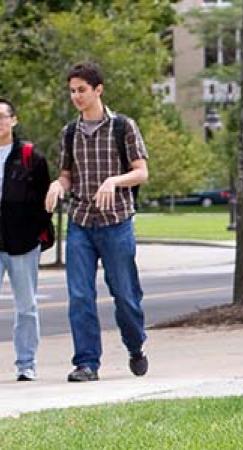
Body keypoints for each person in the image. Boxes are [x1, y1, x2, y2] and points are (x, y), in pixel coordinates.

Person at [44, 62, 150, 382]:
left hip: (116, 223)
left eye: (82, 90)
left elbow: (142, 172)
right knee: (80, 295)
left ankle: (135, 346)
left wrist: (114, 181)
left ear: (98, 89)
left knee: (125, 294)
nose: (76, 96)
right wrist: (56, 185)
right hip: (81, 222)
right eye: (72, 91)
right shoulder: (69, 132)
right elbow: (66, 175)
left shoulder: (123, 127)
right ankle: (87, 363)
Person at [0, 98, 51, 381]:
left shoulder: (31, 156)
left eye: (2, 117)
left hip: (22, 244)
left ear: (13, 120)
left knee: (26, 306)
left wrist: (35, 233)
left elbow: (45, 200)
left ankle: (26, 364)